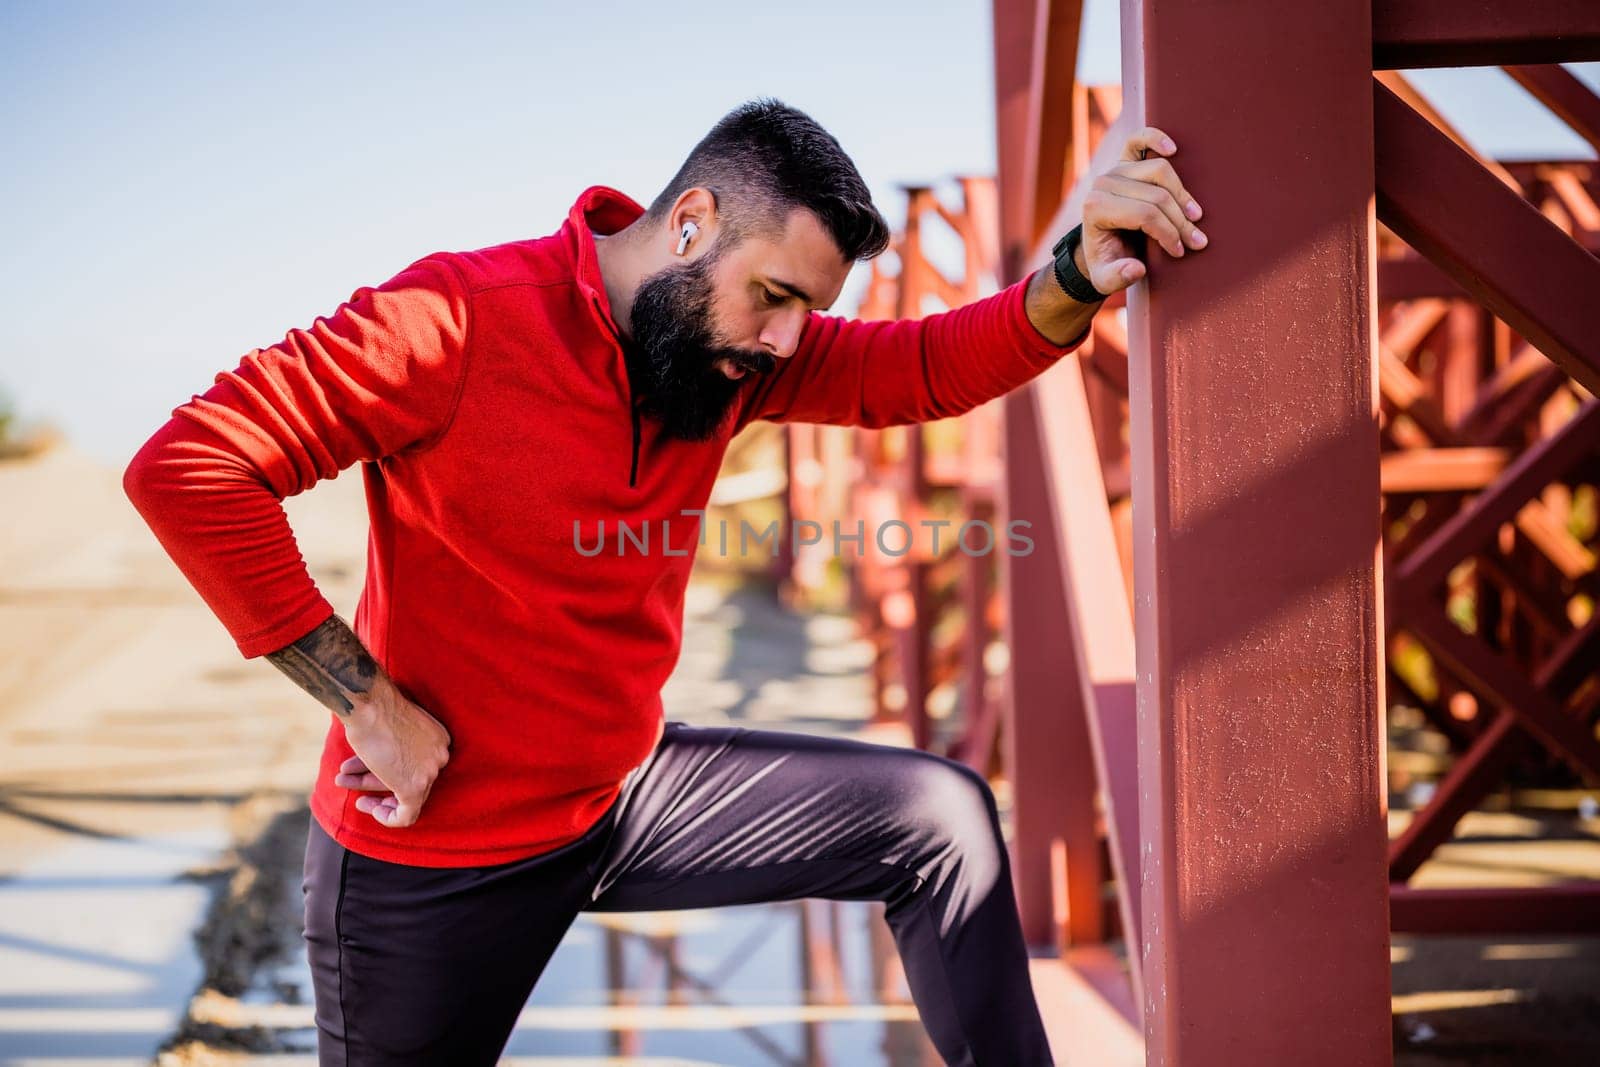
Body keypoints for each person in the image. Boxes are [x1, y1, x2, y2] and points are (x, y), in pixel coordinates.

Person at [124, 98, 1207, 1066]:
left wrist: (1074, 275)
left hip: (623, 795)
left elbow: (922, 368)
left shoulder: (728, 353)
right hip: (436, 844)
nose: (789, 340)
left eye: (806, 310)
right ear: (689, 223)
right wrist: (368, 705)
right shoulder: (454, 316)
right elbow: (188, 466)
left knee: (939, 819)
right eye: (774, 296)